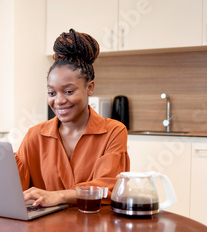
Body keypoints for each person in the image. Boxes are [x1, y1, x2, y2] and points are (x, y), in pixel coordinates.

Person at [16, 29, 130, 207]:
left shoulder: (113, 131)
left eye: (69, 91)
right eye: (51, 93)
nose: (59, 100)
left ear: (90, 88)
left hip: (94, 226)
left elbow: (109, 188)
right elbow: (14, 187)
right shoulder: (35, 135)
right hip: (46, 229)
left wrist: (59, 196)